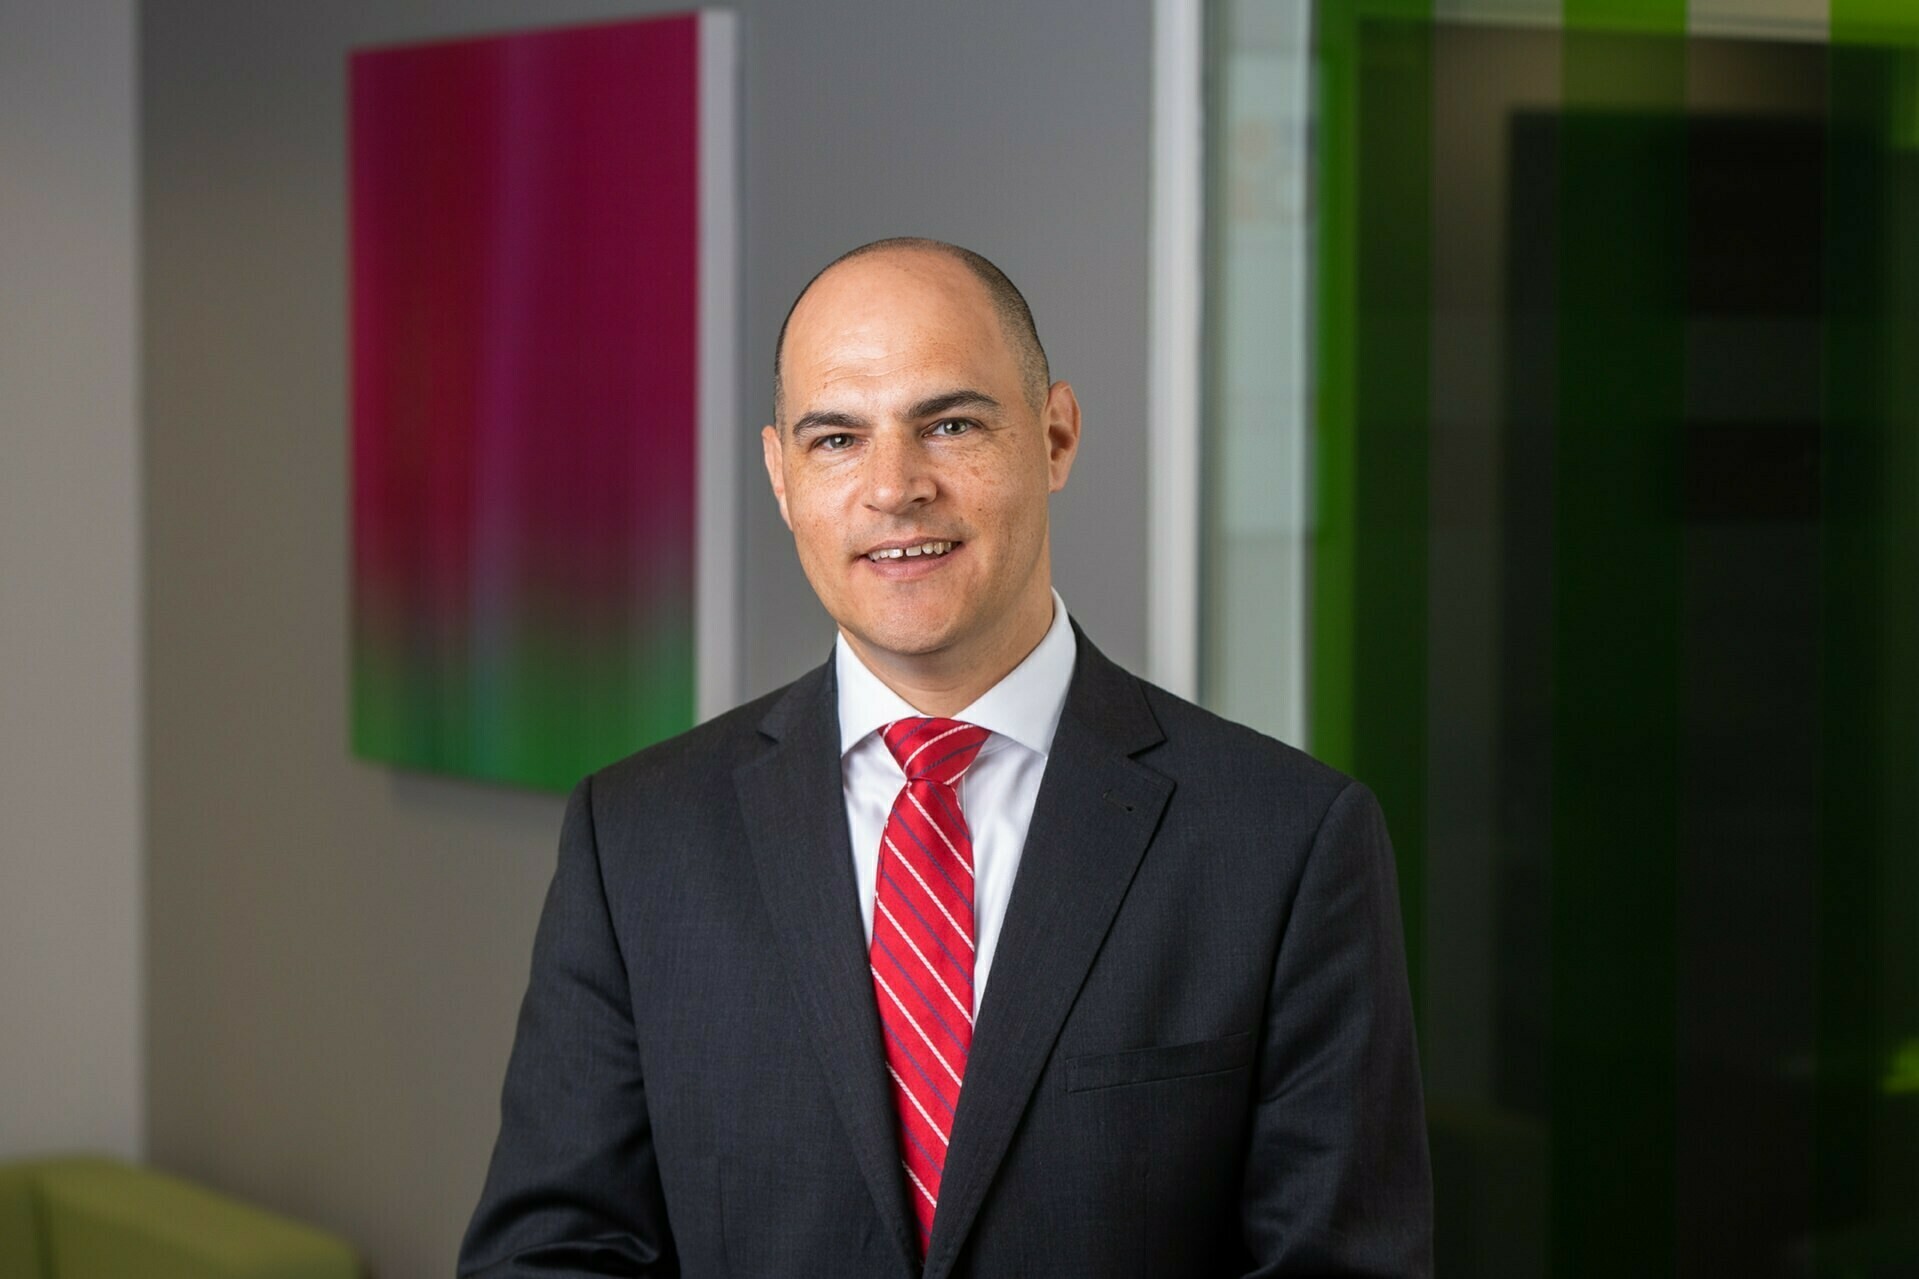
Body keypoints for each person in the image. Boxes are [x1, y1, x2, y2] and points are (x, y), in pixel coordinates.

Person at [458, 239, 1432, 1278]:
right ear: (780, 477)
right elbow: (554, 1253)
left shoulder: (1282, 841)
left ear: (1054, 435)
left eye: (950, 423)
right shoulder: (639, 836)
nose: (894, 487)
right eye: (836, 438)